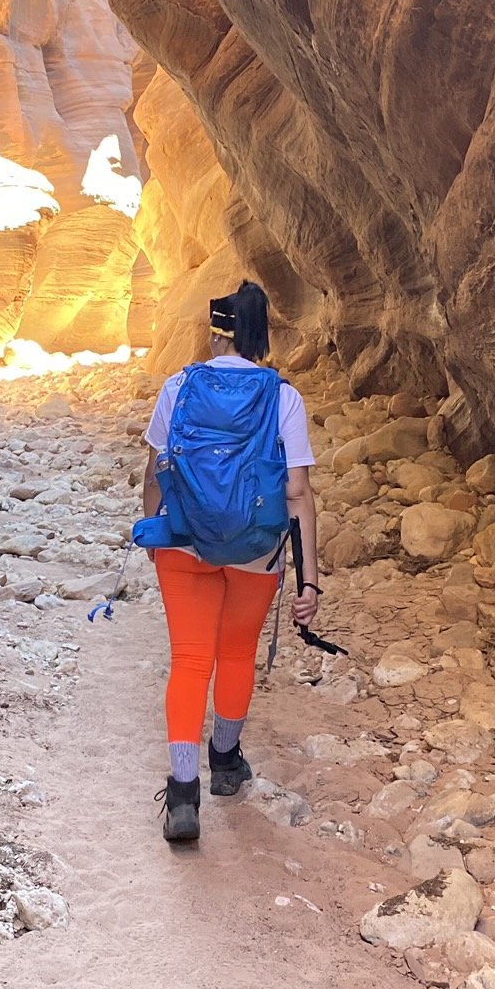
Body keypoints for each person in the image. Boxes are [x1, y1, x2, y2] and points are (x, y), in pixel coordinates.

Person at [139, 280, 319, 842]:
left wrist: (157, 539)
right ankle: (225, 763)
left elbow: (155, 472)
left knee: (191, 659)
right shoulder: (282, 396)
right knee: (236, 651)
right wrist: (309, 580)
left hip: (185, 539)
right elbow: (297, 490)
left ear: (214, 332)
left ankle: (184, 798)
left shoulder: (178, 386)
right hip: (256, 546)